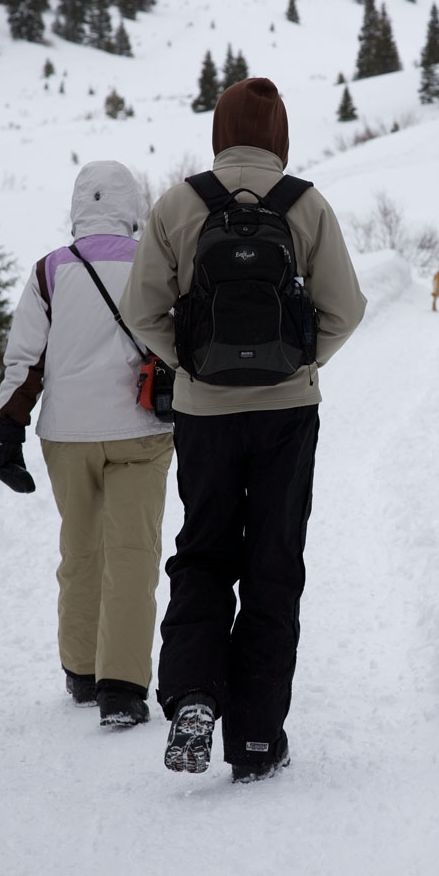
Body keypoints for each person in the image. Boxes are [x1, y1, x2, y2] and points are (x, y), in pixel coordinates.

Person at [119, 77, 365, 782]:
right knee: (273, 564)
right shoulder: (307, 204)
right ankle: (257, 740)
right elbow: (344, 309)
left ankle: (194, 693)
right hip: (288, 414)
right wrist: (298, 364)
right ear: (280, 136)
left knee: (203, 552)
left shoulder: (178, 203)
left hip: (204, 414)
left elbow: (144, 312)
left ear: (220, 132)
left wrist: (190, 366)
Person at [0, 160, 174, 727]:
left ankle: (81, 672)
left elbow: (26, 360)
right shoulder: (154, 264)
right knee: (132, 556)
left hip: (66, 435)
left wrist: (6, 431)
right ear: (132, 208)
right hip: (140, 431)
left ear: (78, 209)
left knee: (81, 548)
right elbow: (176, 342)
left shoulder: (49, 271)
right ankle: (122, 686)